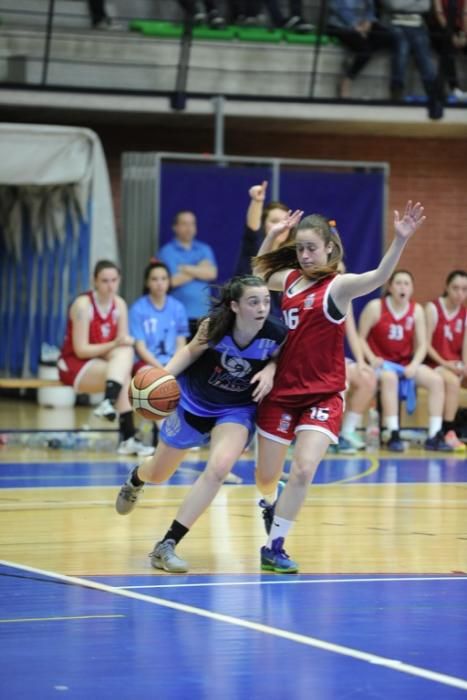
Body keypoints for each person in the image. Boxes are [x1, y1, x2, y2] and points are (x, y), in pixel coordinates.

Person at [251, 201, 427, 573]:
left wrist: (400, 240)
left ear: (329, 247)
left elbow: (379, 276)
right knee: (266, 477)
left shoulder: (339, 286)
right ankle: (276, 500)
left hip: (323, 392)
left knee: (303, 469)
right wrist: (272, 234)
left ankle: (275, 545)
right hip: (283, 393)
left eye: (311, 247)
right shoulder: (291, 279)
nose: (305, 254)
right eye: (299, 248)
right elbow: (259, 272)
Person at [115, 275, 287, 572]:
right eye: (253, 302)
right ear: (234, 306)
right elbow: (188, 352)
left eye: (266, 301)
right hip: (193, 404)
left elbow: (280, 359)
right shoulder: (215, 327)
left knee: (219, 469)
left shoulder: (276, 333)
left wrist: (272, 369)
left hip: (236, 410)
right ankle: (137, 478)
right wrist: (161, 381)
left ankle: (166, 544)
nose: (262, 308)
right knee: (159, 472)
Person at [57, 260, 154, 457]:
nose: (110, 286)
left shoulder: (120, 304)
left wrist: (119, 345)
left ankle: (110, 406)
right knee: (123, 365)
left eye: (113, 280)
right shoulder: (83, 305)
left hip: (104, 365)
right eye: (104, 281)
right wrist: (114, 344)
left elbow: (120, 347)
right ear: (94, 281)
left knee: (125, 355)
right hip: (74, 365)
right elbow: (81, 350)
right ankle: (126, 435)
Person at [359, 269, 453, 452]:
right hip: (382, 365)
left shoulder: (416, 310)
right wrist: (371, 358)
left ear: (412, 289)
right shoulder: (375, 307)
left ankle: (434, 434)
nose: (403, 287)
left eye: (407, 284)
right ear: (390, 287)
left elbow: (423, 345)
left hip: (404, 364)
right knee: (389, 378)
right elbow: (360, 337)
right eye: (399, 283)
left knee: (436, 380)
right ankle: (394, 432)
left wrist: (414, 364)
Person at [158, 210, 218, 339]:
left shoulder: (204, 249)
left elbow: (212, 273)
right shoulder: (167, 252)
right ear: (175, 227)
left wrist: (185, 268)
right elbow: (172, 281)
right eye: (184, 224)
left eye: (192, 224)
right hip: (178, 316)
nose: (189, 228)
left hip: (204, 315)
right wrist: (199, 269)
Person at [425, 269, 467, 451]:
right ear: (447, 288)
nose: (460, 293)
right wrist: (445, 363)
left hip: (453, 365)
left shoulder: (465, 314)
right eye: (456, 288)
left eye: (464, 289)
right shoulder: (433, 308)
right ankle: (448, 430)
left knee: (454, 377)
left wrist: (464, 366)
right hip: (433, 364)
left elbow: (465, 347)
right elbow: (424, 345)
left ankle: (447, 430)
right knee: (451, 381)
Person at [234, 180, 290, 318]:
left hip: (278, 324)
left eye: (285, 221)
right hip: (247, 318)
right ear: (264, 224)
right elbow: (252, 229)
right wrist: (257, 201)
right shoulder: (255, 247)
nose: (281, 226)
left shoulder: (291, 257)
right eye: (274, 221)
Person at [380, 0, 443, 118]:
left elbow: (426, 6)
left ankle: (434, 98)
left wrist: (403, 5)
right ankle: (396, 94)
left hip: (418, 27)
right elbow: (393, 5)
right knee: (402, 48)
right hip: (394, 24)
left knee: (424, 57)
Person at [327, 0, 397, 98]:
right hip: (340, 24)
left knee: (390, 37)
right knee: (365, 51)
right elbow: (339, 9)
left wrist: (368, 22)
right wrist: (356, 26)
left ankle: (357, 54)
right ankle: (347, 80)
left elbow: (370, 7)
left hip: (362, 23)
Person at [129, 260, 189, 374]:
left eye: (164, 278)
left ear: (169, 281)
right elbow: (140, 348)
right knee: (151, 380)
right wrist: (163, 370)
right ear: (147, 282)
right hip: (145, 363)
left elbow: (181, 343)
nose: (159, 283)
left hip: (173, 362)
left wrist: (172, 366)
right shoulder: (137, 309)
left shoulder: (178, 308)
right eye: (154, 279)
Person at [429, 0, 467, 101]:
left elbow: (465, 13)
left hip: (461, 27)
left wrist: (464, 35)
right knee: (448, 48)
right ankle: (455, 88)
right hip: (442, 27)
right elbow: (439, 13)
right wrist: (451, 35)